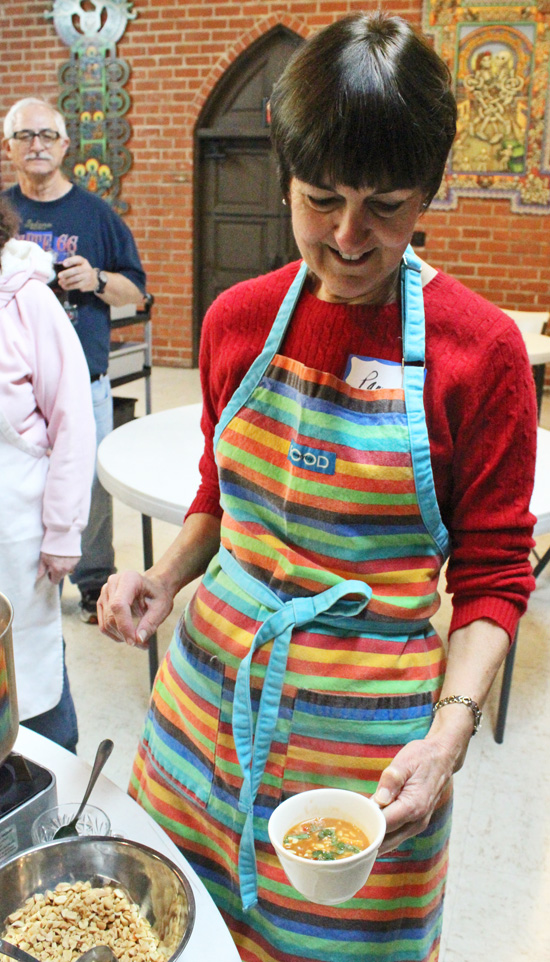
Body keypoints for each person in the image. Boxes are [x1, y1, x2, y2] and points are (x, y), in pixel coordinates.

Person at [98, 13, 537, 962]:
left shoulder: (481, 352)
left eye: (385, 204)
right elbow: (223, 491)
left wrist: (450, 736)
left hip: (370, 752)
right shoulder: (237, 322)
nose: (347, 236)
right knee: (176, 932)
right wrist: (167, 578)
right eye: (319, 199)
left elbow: (498, 573)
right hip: (208, 704)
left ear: (432, 189)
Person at [2, 97, 146, 624]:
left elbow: (137, 292)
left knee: (88, 484)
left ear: (65, 145)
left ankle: (91, 581)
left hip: (82, 381)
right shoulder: (3, 213)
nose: (36, 144)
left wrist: (98, 280)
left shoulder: (96, 214)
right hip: (13, 391)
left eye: (47, 135)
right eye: (24, 136)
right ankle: (20, 584)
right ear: (9, 147)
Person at [0, 197, 95, 751]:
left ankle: (58, 788)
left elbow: (73, 422)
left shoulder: (27, 298)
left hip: (19, 524)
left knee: (29, 668)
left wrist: (63, 531)